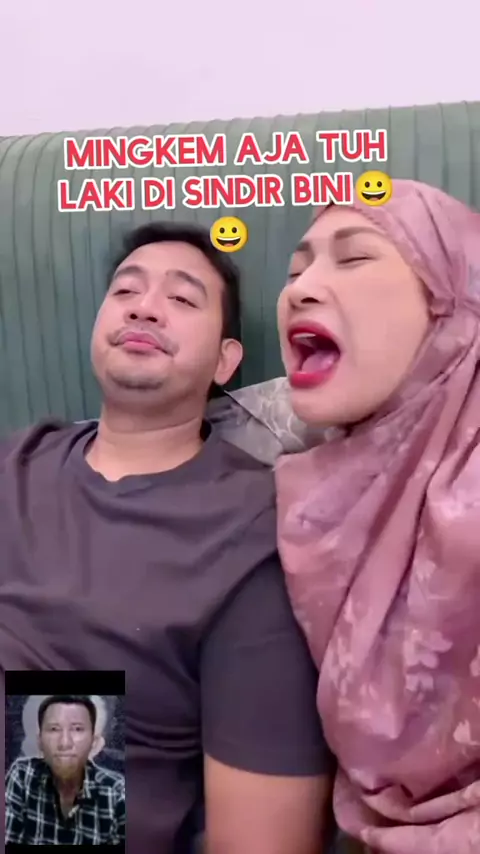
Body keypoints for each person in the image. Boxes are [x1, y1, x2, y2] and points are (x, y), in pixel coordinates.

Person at [0, 222, 333, 854]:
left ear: (226, 360)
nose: (144, 307)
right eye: (126, 290)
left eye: (181, 299)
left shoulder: (253, 530)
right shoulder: (19, 459)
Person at [270, 180, 480, 853]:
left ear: (453, 301)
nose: (301, 290)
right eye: (295, 271)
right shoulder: (299, 494)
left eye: (355, 257)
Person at [5, 695, 125, 845]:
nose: (64, 743)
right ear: (39, 741)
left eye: (77, 729)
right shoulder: (22, 776)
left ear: (94, 743)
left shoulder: (116, 793)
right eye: (54, 729)